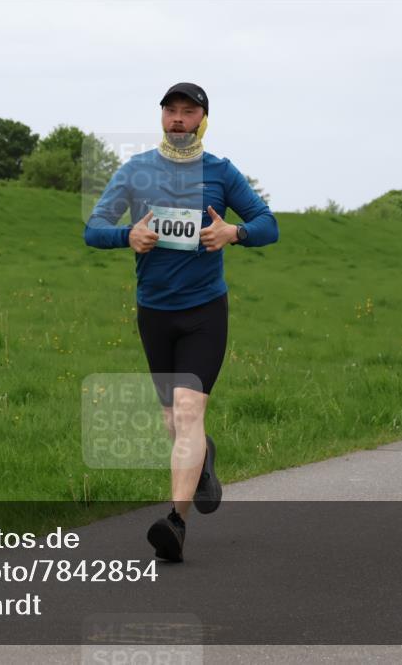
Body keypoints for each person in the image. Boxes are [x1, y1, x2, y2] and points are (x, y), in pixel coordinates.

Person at [83, 82, 279, 562]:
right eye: (170, 110)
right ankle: (203, 456)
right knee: (173, 421)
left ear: (203, 119)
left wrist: (234, 232)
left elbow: (268, 225)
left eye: (188, 112)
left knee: (188, 412)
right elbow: (93, 229)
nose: (178, 118)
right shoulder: (136, 170)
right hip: (154, 312)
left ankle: (175, 522)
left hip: (204, 311)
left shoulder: (221, 172)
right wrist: (126, 236)